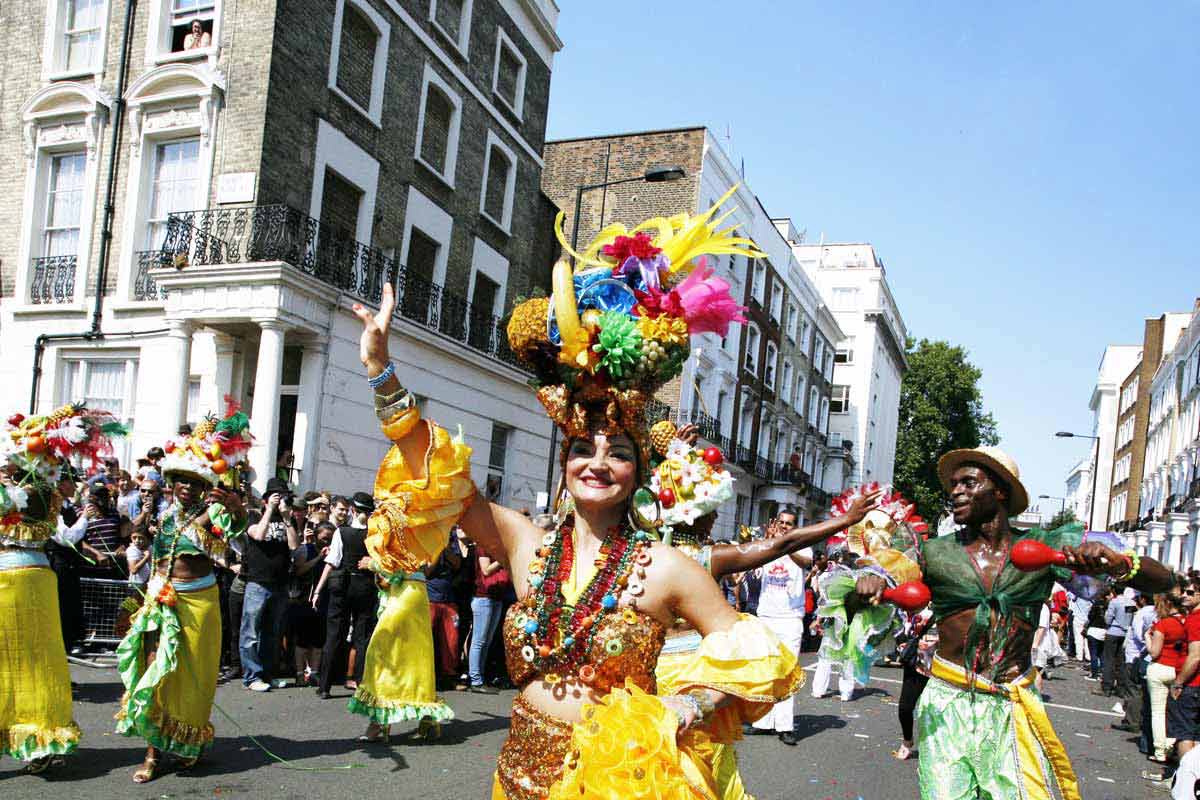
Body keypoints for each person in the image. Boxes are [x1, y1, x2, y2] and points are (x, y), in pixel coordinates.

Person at [352, 193, 803, 799]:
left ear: (639, 474)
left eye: (618, 452)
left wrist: (690, 705)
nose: (597, 463)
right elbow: (441, 478)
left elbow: (749, 649)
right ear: (563, 464)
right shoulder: (525, 543)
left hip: (611, 780)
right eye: (582, 450)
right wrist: (383, 371)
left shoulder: (667, 568)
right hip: (517, 769)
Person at [854, 446, 1172, 800]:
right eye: (953, 485)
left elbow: (1164, 581)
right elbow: (883, 576)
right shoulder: (934, 552)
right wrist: (870, 580)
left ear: (1000, 491)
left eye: (969, 483)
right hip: (947, 703)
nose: (955, 491)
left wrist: (1116, 563)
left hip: (1010, 703)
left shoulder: (1044, 547)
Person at [115, 410, 251, 782]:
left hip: (199, 604)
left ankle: (187, 742)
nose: (187, 488)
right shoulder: (166, 515)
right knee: (157, 672)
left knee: (193, 679)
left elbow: (236, 537)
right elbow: (149, 550)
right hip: (160, 598)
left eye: (195, 483)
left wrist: (237, 510)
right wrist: (137, 601)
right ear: (173, 483)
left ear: (205, 486)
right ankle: (153, 754)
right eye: (181, 482)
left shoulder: (216, 514)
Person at [1, 404, 124, 774]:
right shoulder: (39, 492)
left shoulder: (36, 494)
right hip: (25, 577)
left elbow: (65, 537)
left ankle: (36, 733)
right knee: (26, 658)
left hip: (25, 580)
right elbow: (67, 537)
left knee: (29, 659)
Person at [315, 491, 379, 699]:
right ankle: (360, 683)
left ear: (353, 510)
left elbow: (332, 561)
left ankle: (324, 686)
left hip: (342, 586)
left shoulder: (342, 532)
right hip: (366, 586)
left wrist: (318, 589)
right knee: (362, 637)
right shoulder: (375, 535)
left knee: (334, 635)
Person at [241, 476, 298, 692]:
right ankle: (251, 676)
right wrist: (269, 510)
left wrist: (286, 517)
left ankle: (268, 673)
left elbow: (294, 545)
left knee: (272, 633)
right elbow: (259, 535)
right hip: (258, 582)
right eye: (278, 497)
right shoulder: (254, 515)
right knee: (251, 632)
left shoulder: (287, 519)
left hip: (280, 583)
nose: (282, 501)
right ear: (267, 498)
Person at [1147, 587, 1186, 766]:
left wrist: (1148, 637)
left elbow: (1154, 652)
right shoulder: (1188, 622)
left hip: (1160, 667)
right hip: (1180, 669)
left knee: (1158, 712)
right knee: (1176, 712)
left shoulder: (1163, 624)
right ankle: (1173, 745)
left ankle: (1160, 750)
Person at [468, 538, 510, 693]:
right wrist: (502, 559)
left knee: (487, 640)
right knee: (479, 641)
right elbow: (485, 570)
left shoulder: (496, 546)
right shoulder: (484, 546)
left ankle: (480, 677)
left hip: (496, 597)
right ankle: (476, 680)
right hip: (483, 597)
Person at [1099, 586, 1137, 698]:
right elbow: (1131, 618)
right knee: (1121, 661)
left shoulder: (1114, 602)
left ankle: (1107, 686)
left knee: (1108, 660)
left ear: (1114, 591)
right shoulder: (1131, 603)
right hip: (1124, 633)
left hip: (1113, 631)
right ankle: (1121, 687)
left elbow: (1108, 619)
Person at [126, 529, 153, 594]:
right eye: (134, 538)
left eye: (141, 538)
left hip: (150, 586)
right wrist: (146, 557)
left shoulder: (151, 548)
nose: (137, 541)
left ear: (147, 538)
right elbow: (133, 570)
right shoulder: (132, 549)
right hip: (136, 587)